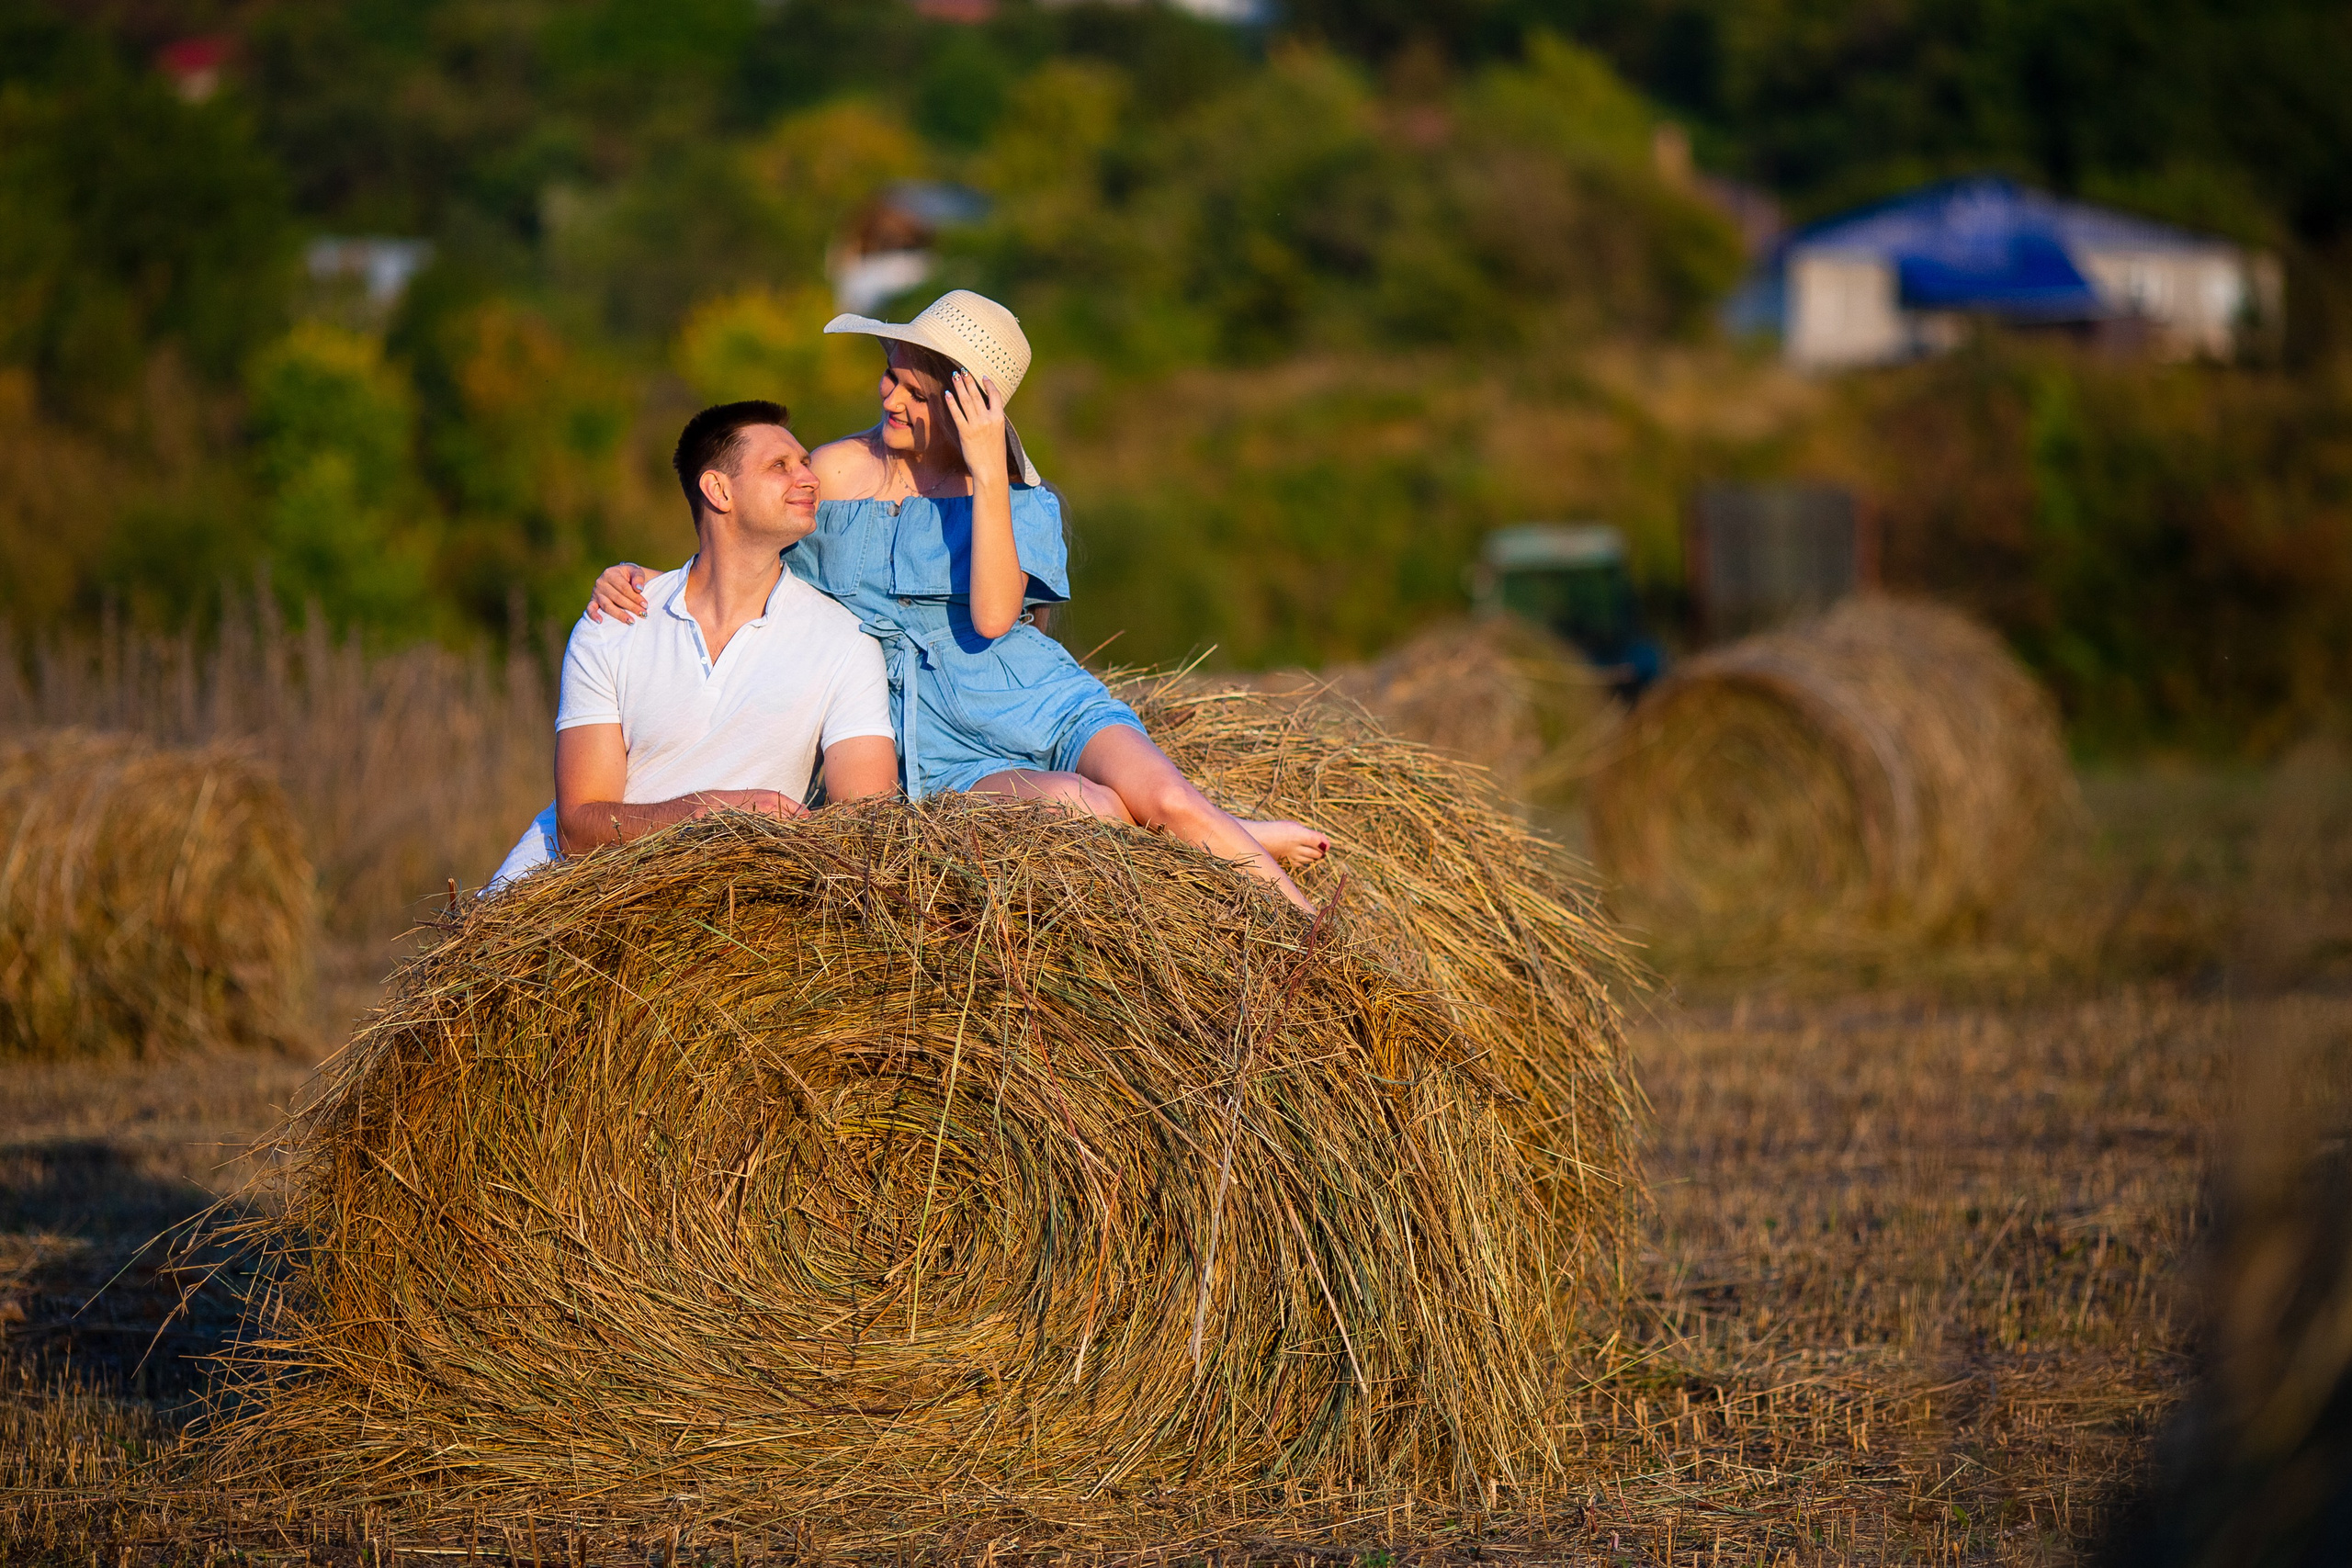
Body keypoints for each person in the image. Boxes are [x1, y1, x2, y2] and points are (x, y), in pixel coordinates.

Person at [587, 291, 1329, 913]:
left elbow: (995, 617)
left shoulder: (1012, 496)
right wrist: (647, 578)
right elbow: (747, 538)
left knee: (1168, 797)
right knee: (1086, 810)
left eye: (913, 389)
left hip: (1034, 698)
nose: (888, 395)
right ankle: (1236, 837)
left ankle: (1312, 946)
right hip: (926, 743)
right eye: (888, 376)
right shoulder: (842, 470)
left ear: (966, 401)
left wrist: (985, 468)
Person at [489, 400, 898, 891]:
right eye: (780, 467)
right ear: (718, 490)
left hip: (738, 903)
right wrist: (715, 810)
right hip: (577, 899)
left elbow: (866, 827)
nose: (809, 479)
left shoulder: (844, 644)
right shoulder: (613, 624)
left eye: (806, 463)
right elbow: (579, 829)